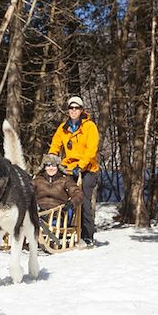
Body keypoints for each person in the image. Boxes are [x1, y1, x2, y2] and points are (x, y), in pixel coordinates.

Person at [48, 95, 100, 247]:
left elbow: (91, 150)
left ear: (82, 110)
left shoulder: (89, 127)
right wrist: (51, 161)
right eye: (71, 108)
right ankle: (63, 230)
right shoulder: (63, 128)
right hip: (69, 168)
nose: (73, 110)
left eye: (76, 108)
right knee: (61, 197)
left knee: (82, 199)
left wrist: (81, 166)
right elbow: (55, 146)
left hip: (88, 169)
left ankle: (87, 236)